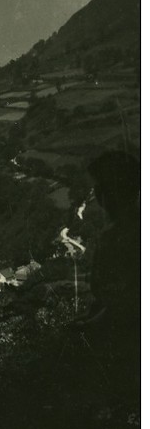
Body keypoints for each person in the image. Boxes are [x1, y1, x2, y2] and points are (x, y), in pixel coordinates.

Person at [75, 151, 140, 402]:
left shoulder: (119, 240)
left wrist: (91, 322)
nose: (97, 194)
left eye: (100, 188)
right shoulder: (125, 233)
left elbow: (125, 303)